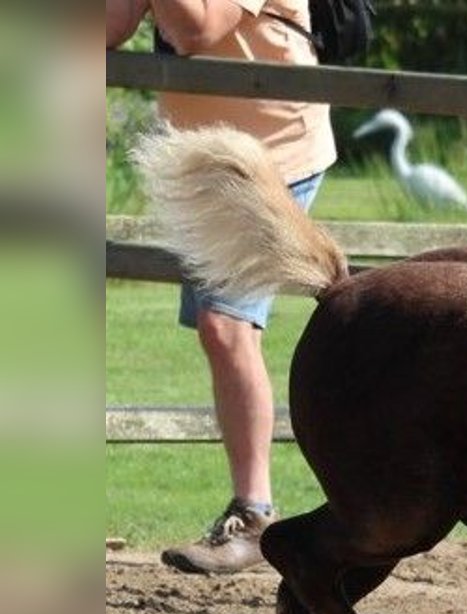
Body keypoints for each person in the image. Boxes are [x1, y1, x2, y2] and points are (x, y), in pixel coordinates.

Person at [107, 0, 336, 573]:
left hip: (272, 148)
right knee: (224, 329)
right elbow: (110, 27)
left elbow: (195, 28)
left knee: (226, 325)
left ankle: (256, 515)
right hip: (209, 153)